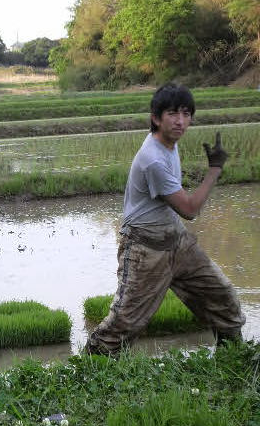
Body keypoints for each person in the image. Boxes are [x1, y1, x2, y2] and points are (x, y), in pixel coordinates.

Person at [85, 83, 245, 356]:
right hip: (145, 250)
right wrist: (214, 170)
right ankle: (87, 373)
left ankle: (233, 359)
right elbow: (190, 209)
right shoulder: (153, 160)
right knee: (123, 324)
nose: (180, 121)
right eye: (172, 113)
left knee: (224, 300)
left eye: (186, 113)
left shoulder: (169, 145)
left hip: (177, 241)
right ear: (156, 118)